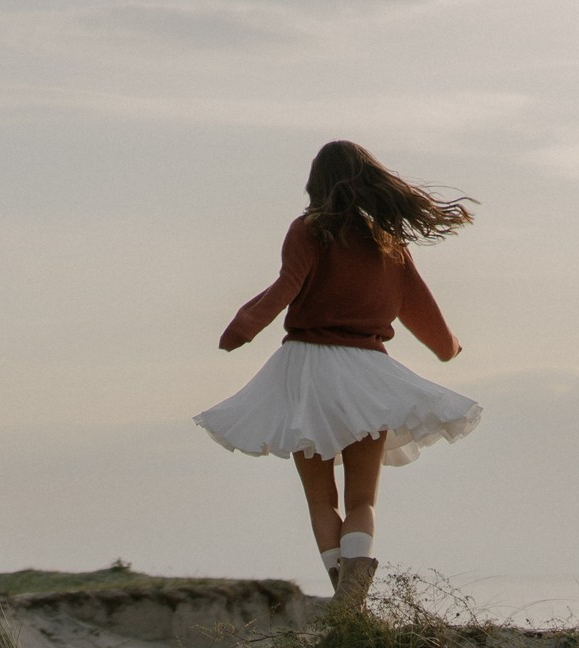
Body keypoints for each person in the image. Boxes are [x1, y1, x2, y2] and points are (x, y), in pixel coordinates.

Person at [195, 140, 481, 605]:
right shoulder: (388, 243)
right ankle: (352, 601)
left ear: (317, 182)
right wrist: (449, 347)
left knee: (320, 501)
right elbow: (421, 309)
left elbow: (286, 286)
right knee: (362, 502)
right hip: (367, 374)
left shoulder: (308, 230)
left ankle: (346, 604)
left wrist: (241, 329)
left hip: (306, 369)